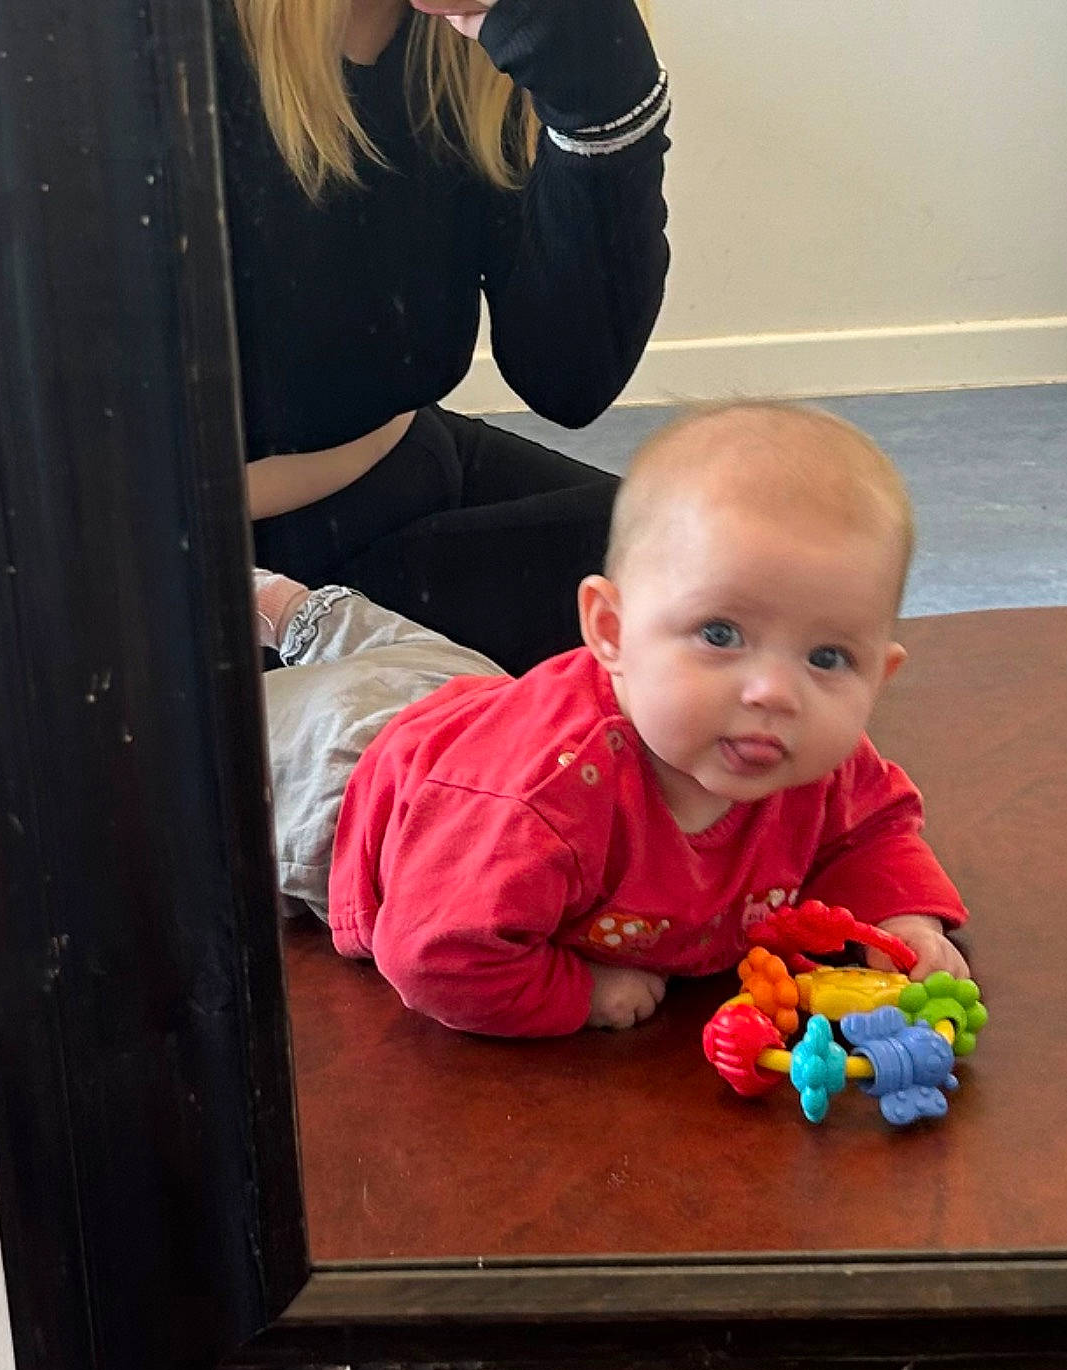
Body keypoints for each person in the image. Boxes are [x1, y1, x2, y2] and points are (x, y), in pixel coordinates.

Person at [261, 402, 970, 1035]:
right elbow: (434, 954)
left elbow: (872, 831)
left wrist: (902, 918)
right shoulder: (539, 808)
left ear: (880, 676)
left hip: (473, 705)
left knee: (418, 663)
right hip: (344, 779)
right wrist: (581, 992)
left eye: (827, 657)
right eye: (720, 634)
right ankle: (241, 618)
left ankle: (290, 606)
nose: (774, 692)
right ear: (608, 631)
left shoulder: (810, 753)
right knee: (192, 759)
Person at [215, 0, 671, 673]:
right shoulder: (152, 47)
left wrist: (600, 101)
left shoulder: (467, 44)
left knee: (738, 585)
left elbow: (570, 375)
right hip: (206, 571)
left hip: (403, 463)